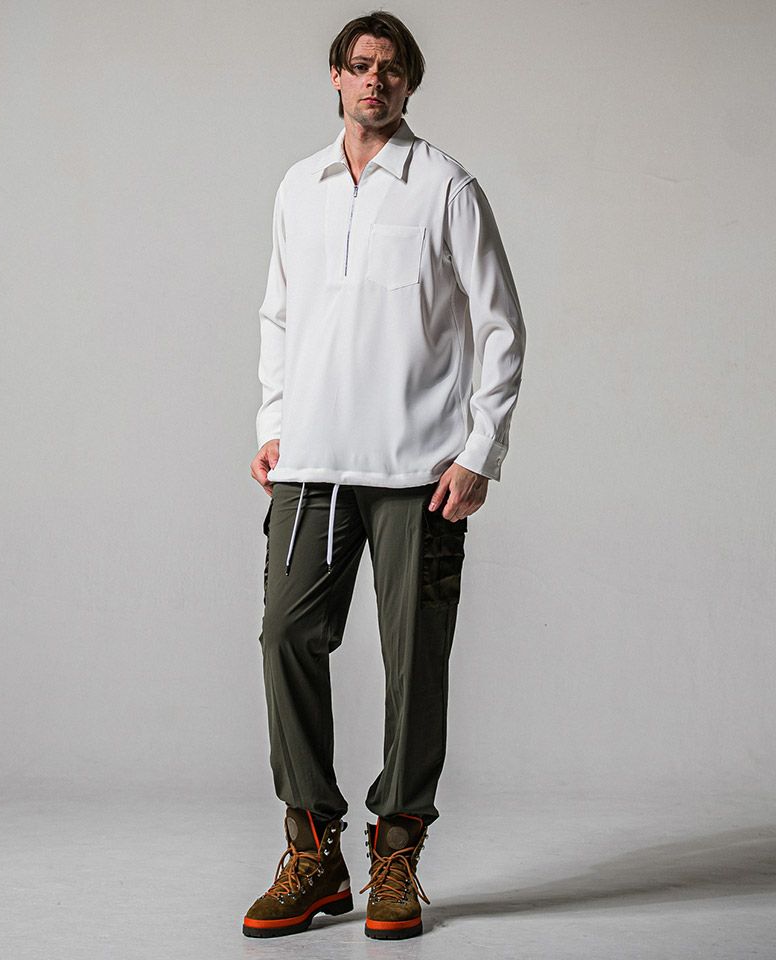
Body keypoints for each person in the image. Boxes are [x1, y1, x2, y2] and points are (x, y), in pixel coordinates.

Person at [242, 9, 526, 942]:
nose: (375, 81)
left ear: (409, 83)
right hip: (312, 464)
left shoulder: (445, 185)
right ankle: (313, 851)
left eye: (392, 69)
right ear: (336, 75)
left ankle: (397, 850)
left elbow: (500, 324)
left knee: (414, 661)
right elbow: (279, 312)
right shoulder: (300, 186)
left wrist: (480, 451)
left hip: (419, 470)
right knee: (287, 636)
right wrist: (274, 425)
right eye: (361, 66)